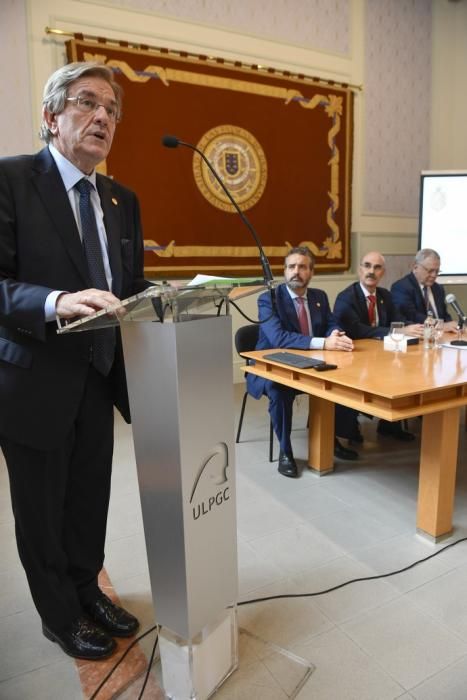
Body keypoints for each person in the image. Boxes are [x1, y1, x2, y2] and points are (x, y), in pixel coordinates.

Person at [0, 62, 152, 660]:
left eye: (112, 110)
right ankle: (59, 615)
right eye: (88, 103)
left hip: (100, 375)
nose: (103, 117)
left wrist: (180, 294)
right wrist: (56, 301)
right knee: (41, 508)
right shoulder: (11, 181)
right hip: (34, 380)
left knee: (90, 498)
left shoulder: (121, 199)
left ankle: (88, 589)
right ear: (51, 117)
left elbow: (129, 281)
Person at [246, 246, 357, 479]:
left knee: (341, 380)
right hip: (271, 365)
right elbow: (278, 338)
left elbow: (330, 322)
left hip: (310, 363)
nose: (296, 271)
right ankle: (285, 451)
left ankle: (329, 438)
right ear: (284, 271)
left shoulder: (319, 297)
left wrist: (336, 333)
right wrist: (323, 343)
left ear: (311, 272)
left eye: (303, 267)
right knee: (279, 390)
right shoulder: (269, 299)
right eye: (291, 267)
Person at [333, 251, 424, 442]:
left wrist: (409, 328)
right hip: (354, 358)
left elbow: (398, 321)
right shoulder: (346, 297)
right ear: (359, 270)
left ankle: (389, 424)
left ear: (383, 272)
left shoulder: (385, 296)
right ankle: (347, 429)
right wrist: (397, 331)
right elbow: (357, 329)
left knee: (404, 370)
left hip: (381, 356)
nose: (371, 271)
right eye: (367, 266)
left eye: (377, 267)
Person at [391, 248, 457, 331]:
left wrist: (453, 326)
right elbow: (412, 315)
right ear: (415, 267)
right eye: (430, 271)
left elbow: (444, 316)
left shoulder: (438, 288)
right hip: (420, 337)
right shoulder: (401, 287)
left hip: (441, 337)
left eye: (437, 271)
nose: (434, 275)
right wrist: (439, 325)